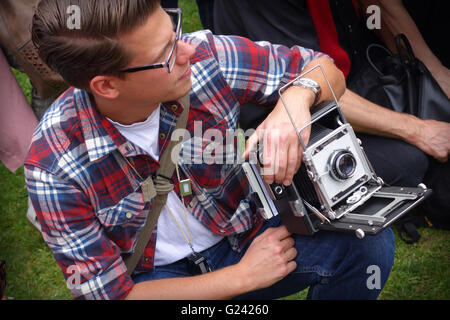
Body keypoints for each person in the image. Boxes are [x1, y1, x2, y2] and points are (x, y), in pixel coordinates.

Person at [25, 0, 394, 300]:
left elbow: (325, 69)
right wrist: (241, 278)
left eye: (175, 31)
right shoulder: (52, 165)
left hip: (245, 229)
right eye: (166, 53)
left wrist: (295, 101)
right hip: (159, 282)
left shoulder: (204, 56)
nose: (186, 50)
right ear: (106, 85)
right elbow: (109, 296)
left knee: (369, 242)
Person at [213, 0, 450, 228]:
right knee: (409, 162)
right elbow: (307, 83)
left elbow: (374, 14)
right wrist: (417, 130)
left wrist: (432, 71)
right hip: (297, 118)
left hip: (347, 81)